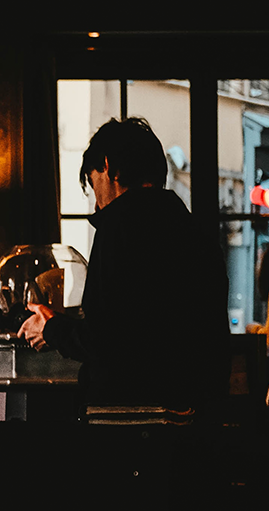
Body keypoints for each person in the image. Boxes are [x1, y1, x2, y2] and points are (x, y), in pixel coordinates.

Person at [18, 117, 228, 413]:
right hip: (195, 411)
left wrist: (51, 328)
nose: (96, 205)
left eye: (92, 185)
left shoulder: (119, 225)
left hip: (130, 416)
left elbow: (109, 339)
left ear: (106, 166)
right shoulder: (195, 231)